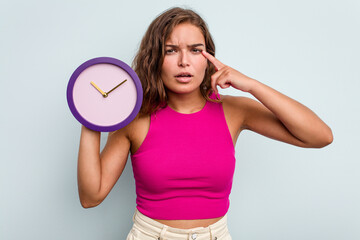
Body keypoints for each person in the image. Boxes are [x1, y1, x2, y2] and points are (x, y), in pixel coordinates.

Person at [77, 7, 333, 240]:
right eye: (171, 50)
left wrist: (252, 85)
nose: (184, 62)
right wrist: (89, 118)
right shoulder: (135, 118)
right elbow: (90, 197)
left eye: (195, 50)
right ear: (154, 58)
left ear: (208, 57)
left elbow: (320, 136)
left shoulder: (234, 110)